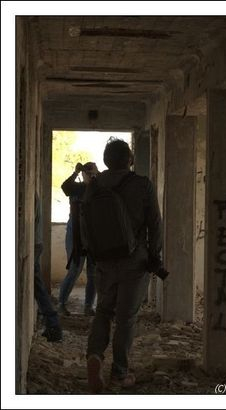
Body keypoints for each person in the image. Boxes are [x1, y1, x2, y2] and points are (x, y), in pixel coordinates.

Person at [86, 137, 163, 393]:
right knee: (126, 318)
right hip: (134, 259)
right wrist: (154, 255)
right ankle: (119, 373)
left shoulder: (95, 185)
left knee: (103, 311)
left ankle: (94, 355)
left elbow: (85, 222)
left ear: (106, 160)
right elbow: (155, 223)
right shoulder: (142, 185)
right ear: (129, 159)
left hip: (104, 260)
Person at [59, 161, 98, 316]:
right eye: (87, 173)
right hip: (75, 233)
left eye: (93, 173)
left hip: (93, 235)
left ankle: (88, 306)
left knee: (93, 272)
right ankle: (61, 304)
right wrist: (76, 172)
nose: (90, 176)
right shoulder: (77, 188)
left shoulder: (98, 188)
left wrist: (96, 174)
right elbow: (65, 186)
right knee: (75, 269)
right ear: (83, 174)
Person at [34, 192, 63, 342]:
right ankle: (53, 324)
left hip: (33, 244)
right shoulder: (34, 194)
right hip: (36, 243)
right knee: (38, 288)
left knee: (39, 289)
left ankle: (53, 325)